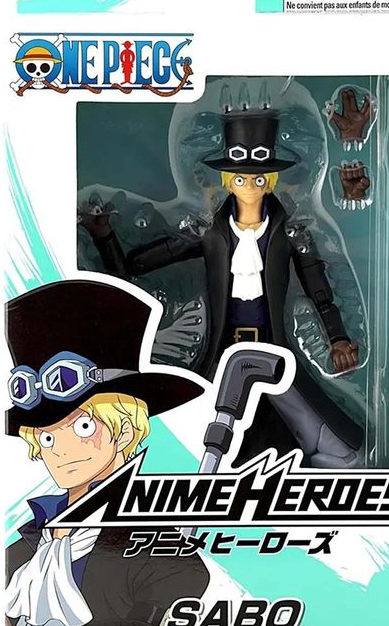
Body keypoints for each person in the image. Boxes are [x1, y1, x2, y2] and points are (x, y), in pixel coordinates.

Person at [80, 110, 367, 468]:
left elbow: (318, 288)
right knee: (205, 438)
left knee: (328, 443)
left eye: (259, 178)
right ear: (229, 180)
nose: (250, 186)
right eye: (241, 178)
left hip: (272, 351)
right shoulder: (209, 234)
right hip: (224, 353)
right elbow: (134, 266)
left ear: (270, 180)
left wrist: (337, 338)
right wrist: (104, 235)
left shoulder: (290, 234)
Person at [4, 279, 209, 626]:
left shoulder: (168, 564)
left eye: (82, 426)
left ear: (125, 430)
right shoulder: (20, 553)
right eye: (46, 436)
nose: (60, 448)